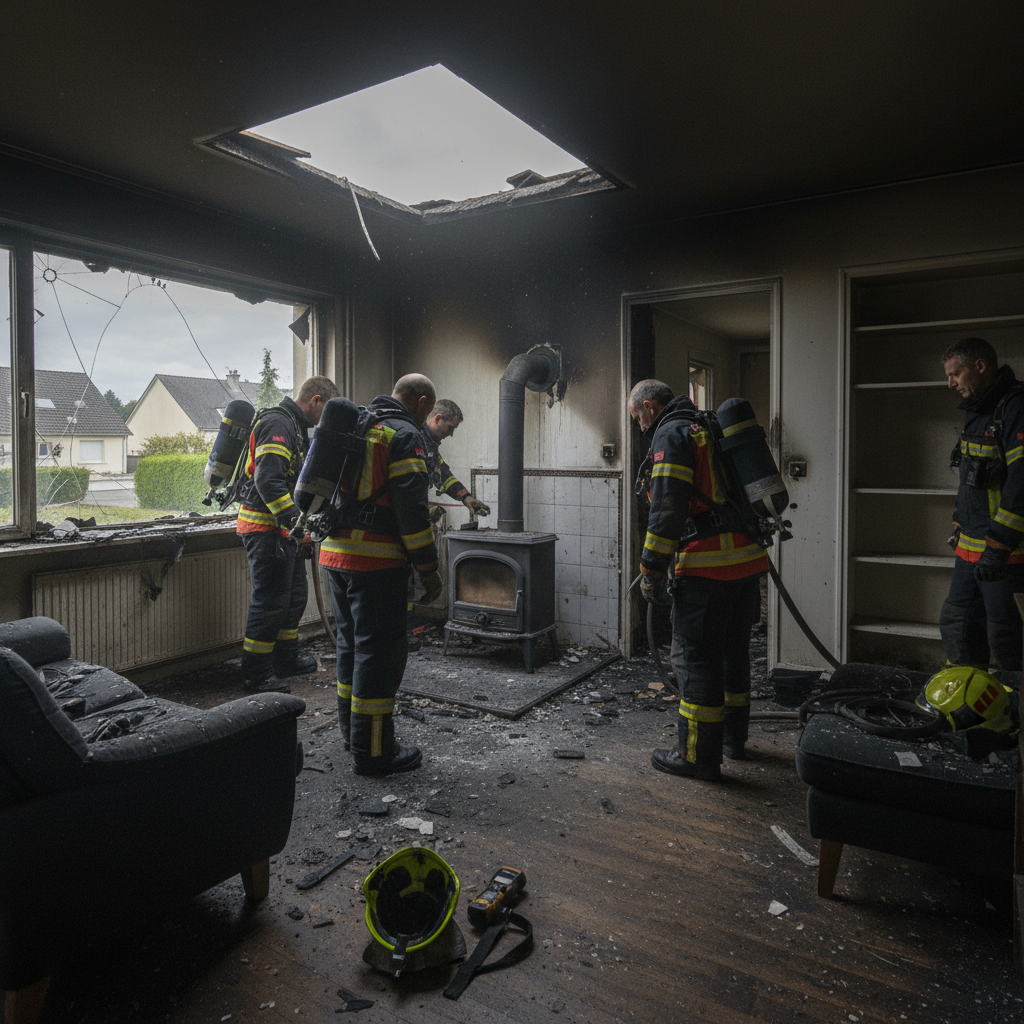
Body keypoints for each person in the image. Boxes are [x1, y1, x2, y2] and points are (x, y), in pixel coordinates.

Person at [629, 379, 768, 781]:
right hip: (746, 563)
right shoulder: (708, 425)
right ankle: (731, 739)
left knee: (695, 659)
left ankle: (696, 756)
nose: (639, 426)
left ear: (651, 407)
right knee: (732, 652)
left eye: (637, 417)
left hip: (707, 567)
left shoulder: (671, 434)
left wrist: (650, 569)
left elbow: (668, 508)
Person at [319, 373, 443, 776]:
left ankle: (352, 736)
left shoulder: (359, 423)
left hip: (334, 556)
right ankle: (374, 753)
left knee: (351, 650)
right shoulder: (406, 435)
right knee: (379, 657)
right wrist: (430, 571)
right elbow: (412, 515)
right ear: (422, 402)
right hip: (374, 564)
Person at [237, 374, 339, 692]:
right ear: (316, 400)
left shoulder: (296, 428)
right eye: (326, 412)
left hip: (284, 532)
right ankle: (256, 676)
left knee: (294, 598)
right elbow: (268, 482)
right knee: (270, 602)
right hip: (265, 529)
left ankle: (285, 661)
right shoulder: (278, 423)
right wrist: (298, 527)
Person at [939, 337, 1024, 671]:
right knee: (957, 625)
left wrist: (1000, 544)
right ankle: (968, 706)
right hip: (970, 551)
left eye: (955, 374)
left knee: (1007, 638)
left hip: (1007, 555)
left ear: (980, 366)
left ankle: (1011, 714)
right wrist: (961, 527)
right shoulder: (977, 408)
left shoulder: (1015, 406)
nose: (951, 383)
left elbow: (1021, 482)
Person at [420, 399, 491, 520]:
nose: (451, 434)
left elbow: (443, 475)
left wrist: (465, 497)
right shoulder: (414, 438)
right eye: (450, 428)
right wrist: (420, 515)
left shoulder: (430, 444)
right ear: (437, 419)